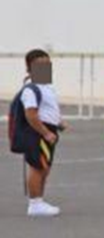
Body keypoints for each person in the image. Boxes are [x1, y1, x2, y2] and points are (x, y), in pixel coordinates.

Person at [17, 49, 64, 217]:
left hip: (49, 129)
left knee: (44, 167)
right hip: (37, 131)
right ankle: (35, 203)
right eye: (40, 65)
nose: (45, 67)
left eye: (47, 64)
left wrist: (58, 122)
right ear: (30, 68)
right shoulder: (31, 89)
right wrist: (45, 132)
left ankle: (40, 200)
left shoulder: (47, 86)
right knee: (37, 166)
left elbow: (48, 108)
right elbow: (31, 114)